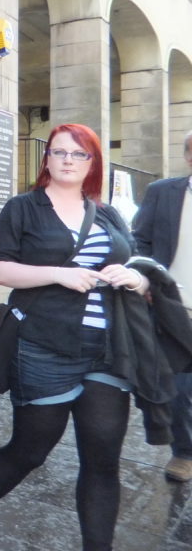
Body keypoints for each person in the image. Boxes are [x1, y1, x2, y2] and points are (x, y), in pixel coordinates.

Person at [0, 124, 151, 551]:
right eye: (58, 152)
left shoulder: (109, 214)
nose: (66, 160)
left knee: (102, 463)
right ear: (46, 160)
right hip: (43, 346)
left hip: (106, 352)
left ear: (92, 164)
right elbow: (0, 269)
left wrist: (133, 277)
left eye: (78, 154)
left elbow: (134, 264)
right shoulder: (24, 208)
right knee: (30, 451)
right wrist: (59, 274)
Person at [132, 129, 192, 482]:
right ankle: (184, 451)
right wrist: (147, 280)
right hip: (175, 309)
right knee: (179, 388)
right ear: (188, 157)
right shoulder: (162, 193)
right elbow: (138, 240)